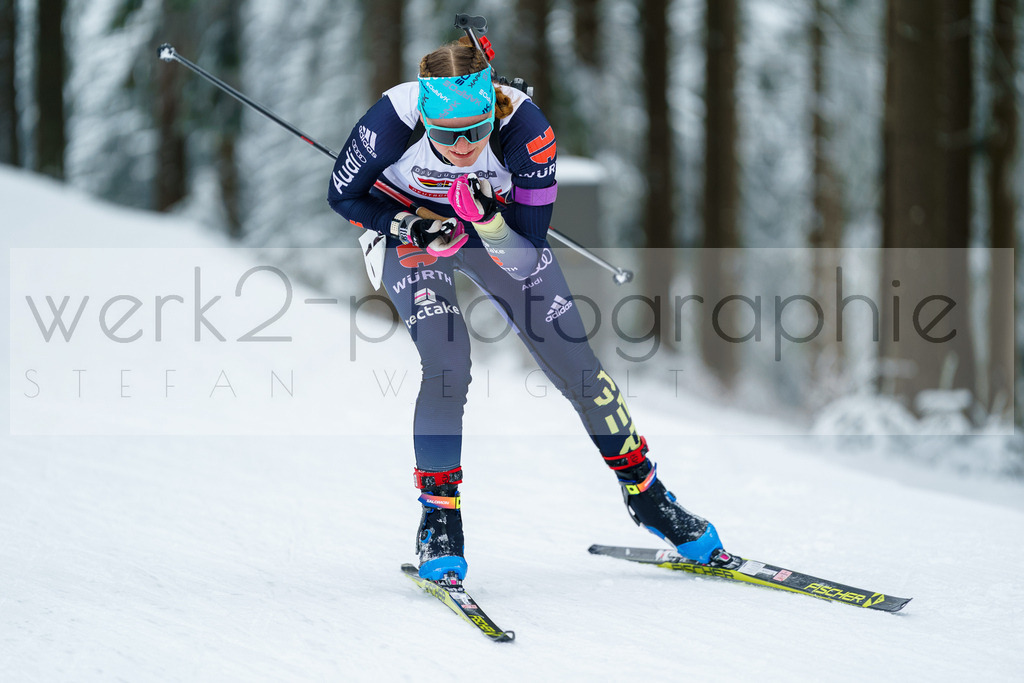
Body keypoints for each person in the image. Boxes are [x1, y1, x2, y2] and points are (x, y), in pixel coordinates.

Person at [328, 38, 724, 581]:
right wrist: (410, 225)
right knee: (448, 362)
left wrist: (489, 220)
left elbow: (524, 252)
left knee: (580, 368)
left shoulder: (526, 129)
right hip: (413, 229)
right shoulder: (392, 119)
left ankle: (648, 496)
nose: (464, 145)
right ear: (424, 117)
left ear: (494, 108)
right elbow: (343, 198)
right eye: (446, 134)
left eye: (476, 128)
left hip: (499, 233)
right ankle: (439, 518)